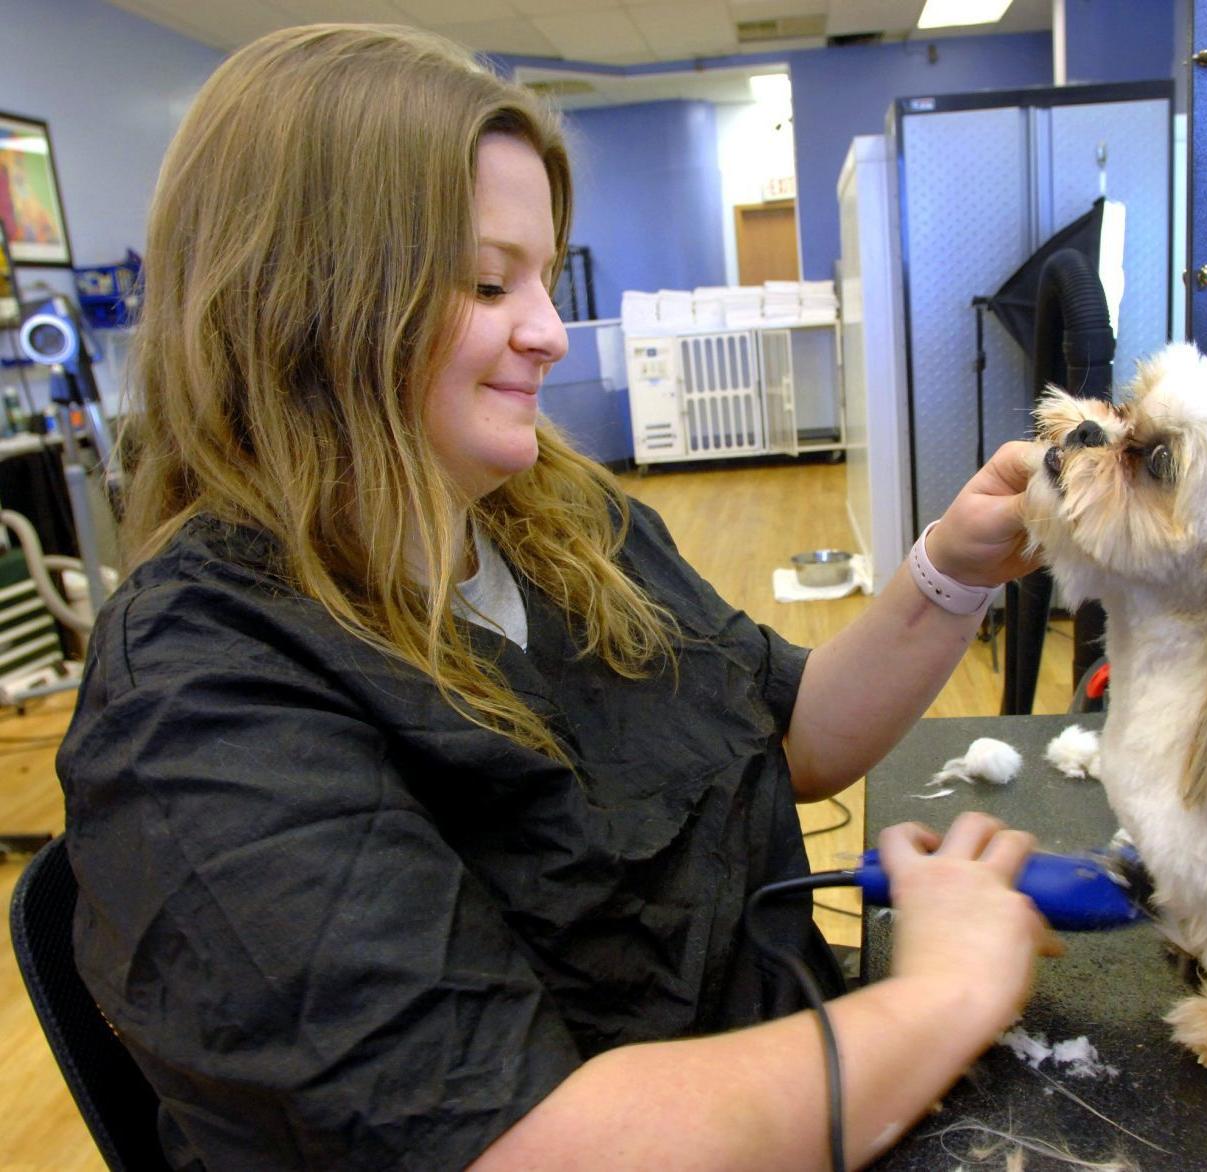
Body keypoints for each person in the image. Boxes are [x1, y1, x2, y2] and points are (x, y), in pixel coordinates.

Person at [56, 23, 1058, 1172]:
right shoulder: (203, 693)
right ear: (307, 303)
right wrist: (944, 990)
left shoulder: (556, 522)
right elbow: (531, 1146)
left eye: (542, 273)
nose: (547, 331)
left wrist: (951, 569)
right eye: (490, 282)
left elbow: (790, 734)